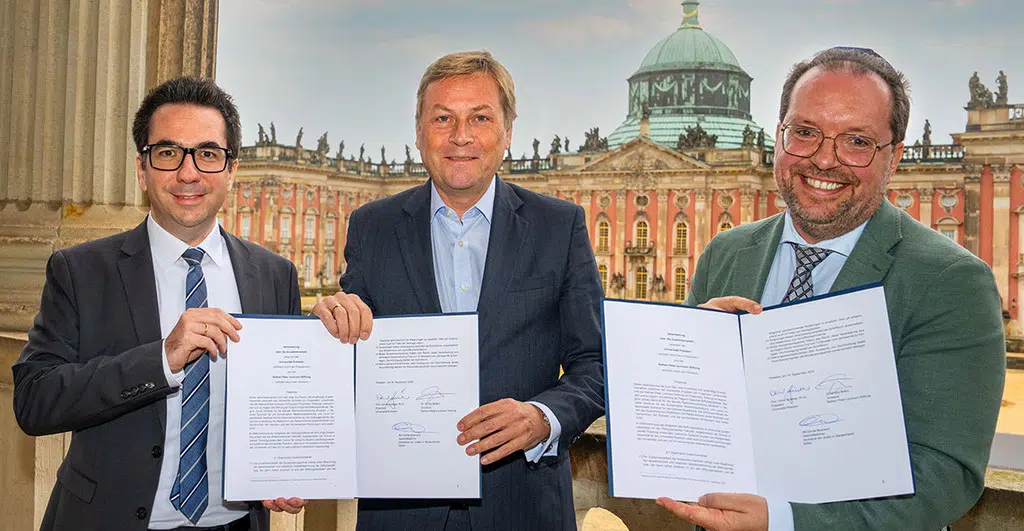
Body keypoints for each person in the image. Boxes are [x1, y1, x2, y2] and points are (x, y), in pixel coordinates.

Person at [657, 47, 1006, 530]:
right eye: (804, 132)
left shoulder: (949, 281)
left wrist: (782, 522)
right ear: (778, 136)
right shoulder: (727, 253)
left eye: (857, 141)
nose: (824, 159)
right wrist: (687, 361)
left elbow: (946, 475)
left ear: (895, 157)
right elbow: (685, 430)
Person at [312, 50, 605, 530]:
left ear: (507, 132)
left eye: (480, 118)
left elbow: (594, 363)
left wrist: (543, 417)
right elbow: (348, 358)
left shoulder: (559, 227)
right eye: (443, 118)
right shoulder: (372, 228)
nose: (461, 136)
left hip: (524, 507)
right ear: (419, 131)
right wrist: (329, 325)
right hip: (402, 512)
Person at [13, 77, 307, 531]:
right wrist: (161, 358)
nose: (188, 173)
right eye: (168, 153)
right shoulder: (81, 270)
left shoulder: (274, 274)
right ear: (142, 169)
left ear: (231, 170)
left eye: (208, 154)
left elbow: (286, 403)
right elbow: (35, 401)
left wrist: (288, 467)